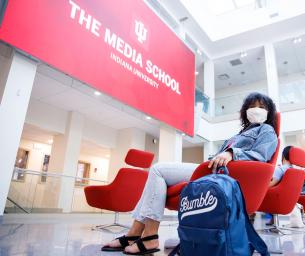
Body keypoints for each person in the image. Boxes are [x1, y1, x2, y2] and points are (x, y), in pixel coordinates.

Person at [102, 92, 278, 255]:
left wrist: (231, 153)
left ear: (268, 112)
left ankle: (149, 236)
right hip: (213, 170)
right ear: (245, 111)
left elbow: (260, 156)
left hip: (227, 176)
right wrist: (220, 155)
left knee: (158, 170)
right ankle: (135, 233)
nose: (257, 110)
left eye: (262, 107)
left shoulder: (267, 130)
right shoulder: (240, 133)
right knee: (157, 180)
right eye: (252, 106)